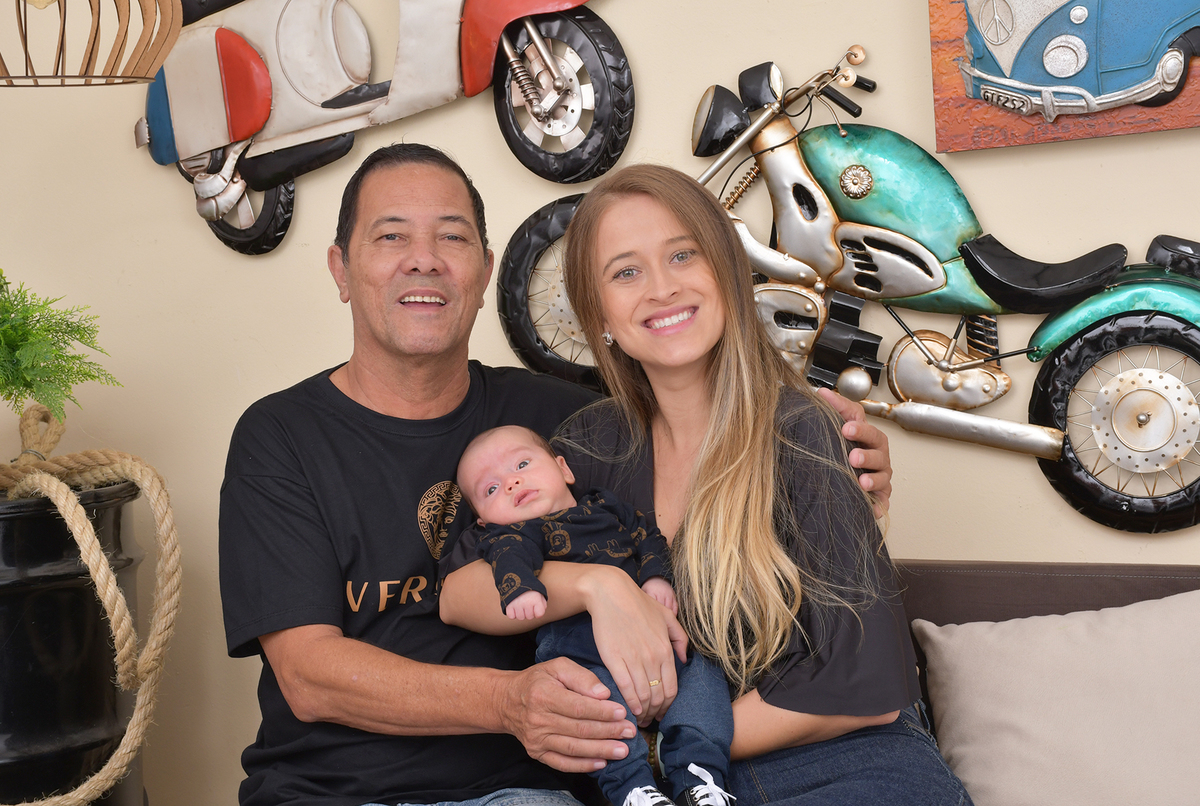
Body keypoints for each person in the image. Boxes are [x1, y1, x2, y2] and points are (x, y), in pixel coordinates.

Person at [218, 143, 896, 806]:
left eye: (451, 237)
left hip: (529, 787)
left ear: (485, 272)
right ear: (340, 269)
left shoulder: (567, 425)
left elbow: (707, 431)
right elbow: (308, 676)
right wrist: (540, 663)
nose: (423, 259)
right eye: (391, 236)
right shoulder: (281, 435)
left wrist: (846, 468)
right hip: (331, 787)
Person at [441, 164, 973, 805]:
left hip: (837, 762)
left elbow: (865, 688)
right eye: (626, 272)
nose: (662, 288)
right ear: (598, 313)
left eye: (682, 255)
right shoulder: (589, 447)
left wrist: (669, 745)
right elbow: (460, 592)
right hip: (673, 780)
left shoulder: (803, 428)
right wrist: (598, 587)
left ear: (725, 270)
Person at [455, 425, 734, 806]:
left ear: (564, 469)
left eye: (521, 464)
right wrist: (519, 588)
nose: (511, 482)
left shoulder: (607, 507)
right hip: (582, 656)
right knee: (594, 713)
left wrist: (656, 577)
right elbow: (509, 557)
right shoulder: (515, 534)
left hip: (659, 642)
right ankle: (633, 790)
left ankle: (700, 778)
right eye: (490, 489)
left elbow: (648, 536)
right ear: (485, 522)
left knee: (704, 678)